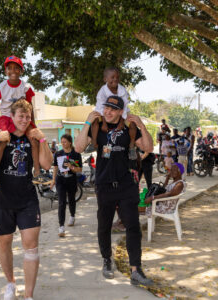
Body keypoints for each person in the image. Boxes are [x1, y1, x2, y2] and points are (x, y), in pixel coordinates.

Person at [0, 99, 53, 300]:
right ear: (12, 116)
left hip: (27, 199)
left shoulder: (32, 136)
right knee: (4, 242)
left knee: (31, 244)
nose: (25, 120)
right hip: (1, 199)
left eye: (28, 117)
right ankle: (11, 283)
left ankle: (28, 295)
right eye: (21, 116)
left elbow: (46, 164)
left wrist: (43, 140)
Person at [75, 95, 154, 286]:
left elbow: (149, 148)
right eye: (106, 108)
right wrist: (87, 121)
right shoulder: (96, 127)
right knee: (104, 226)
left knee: (133, 226)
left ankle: (136, 269)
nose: (108, 111)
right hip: (104, 186)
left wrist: (142, 125)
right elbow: (78, 147)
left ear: (120, 111)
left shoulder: (130, 129)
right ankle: (107, 260)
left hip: (127, 186)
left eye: (112, 109)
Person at [0, 55, 43, 189]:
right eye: (9, 68)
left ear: (21, 71)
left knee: (34, 139)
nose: (13, 71)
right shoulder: (1, 87)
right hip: (7, 117)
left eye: (16, 68)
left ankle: (37, 172)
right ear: (6, 71)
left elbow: (30, 105)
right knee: (3, 140)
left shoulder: (26, 87)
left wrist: (33, 123)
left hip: (22, 117)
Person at [91, 67, 137, 160]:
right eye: (112, 77)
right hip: (105, 114)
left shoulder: (122, 90)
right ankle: (93, 143)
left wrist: (121, 122)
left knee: (132, 124)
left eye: (117, 77)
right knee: (94, 121)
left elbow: (124, 107)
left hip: (120, 114)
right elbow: (101, 108)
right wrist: (104, 122)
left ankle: (132, 147)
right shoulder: (102, 92)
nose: (115, 79)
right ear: (105, 79)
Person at [50, 134, 83, 237]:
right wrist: (53, 180)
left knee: (72, 199)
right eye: (62, 142)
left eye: (65, 141)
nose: (63, 144)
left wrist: (71, 167)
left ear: (70, 142)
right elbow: (55, 167)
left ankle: (72, 216)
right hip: (60, 180)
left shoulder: (76, 154)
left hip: (71, 180)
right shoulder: (58, 154)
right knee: (61, 203)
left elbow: (80, 169)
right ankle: (61, 227)